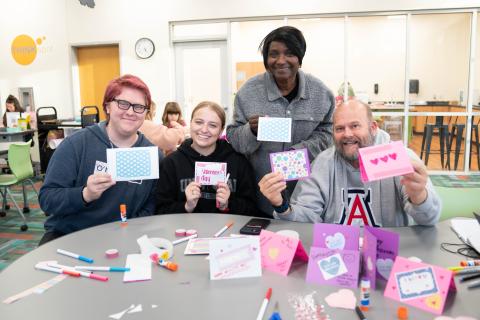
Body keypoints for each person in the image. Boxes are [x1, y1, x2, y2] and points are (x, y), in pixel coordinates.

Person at [259, 100, 441, 227]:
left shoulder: (401, 158)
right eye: (339, 128)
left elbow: (429, 219)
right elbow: (307, 218)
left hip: (387, 254)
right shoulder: (323, 163)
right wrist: (281, 205)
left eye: (355, 126)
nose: (347, 134)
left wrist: (419, 195)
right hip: (335, 255)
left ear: (373, 128)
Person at [38, 74, 161, 244]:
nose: (131, 112)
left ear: (146, 112)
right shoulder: (76, 145)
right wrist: (85, 194)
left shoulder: (152, 155)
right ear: (107, 106)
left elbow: (152, 203)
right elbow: (47, 199)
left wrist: (131, 231)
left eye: (139, 107)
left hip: (125, 237)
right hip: (71, 236)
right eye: (123, 103)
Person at [226, 26, 335, 217]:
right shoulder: (248, 92)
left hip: (308, 198)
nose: (281, 60)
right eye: (274, 54)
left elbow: (329, 131)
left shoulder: (321, 93)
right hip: (261, 198)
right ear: (266, 61)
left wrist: (300, 152)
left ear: (300, 59)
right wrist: (251, 132)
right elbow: (234, 137)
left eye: (290, 53)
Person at [156, 101, 258, 215]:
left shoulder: (238, 162)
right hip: (184, 231)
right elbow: (160, 210)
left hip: (229, 230)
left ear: (221, 130)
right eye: (199, 122)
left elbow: (252, 208)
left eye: (213, 125)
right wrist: (186, 206)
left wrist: (228, 205)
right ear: (190, 123)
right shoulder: (171, 163)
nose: (204, 130)